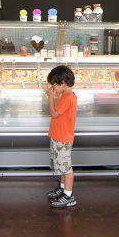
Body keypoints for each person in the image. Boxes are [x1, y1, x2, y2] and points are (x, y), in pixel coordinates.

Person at [45, 65, 78, 208]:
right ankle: (63, 188)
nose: (53, 88)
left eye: (54, 85)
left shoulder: (68, 98)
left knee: (66, 167)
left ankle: (69, 196)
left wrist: (50, 97)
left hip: (63, 138)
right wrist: (55, 95)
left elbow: (54, 114)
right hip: (59, 136)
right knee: (61, 166)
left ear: (63, 83)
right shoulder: (66, 95)